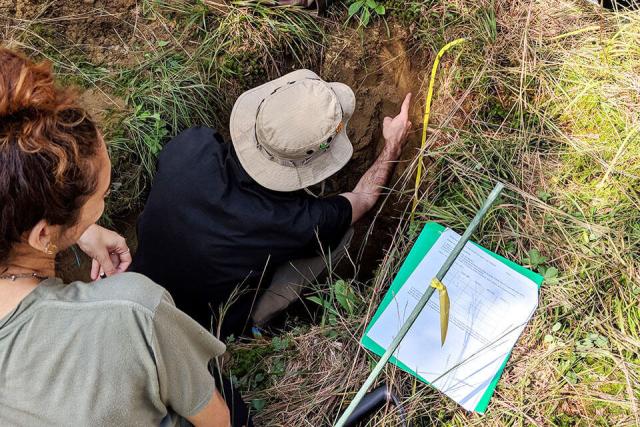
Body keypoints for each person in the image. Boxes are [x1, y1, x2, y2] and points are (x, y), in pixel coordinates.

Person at [0, 48, 243, 426]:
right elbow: (219, 421)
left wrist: (80, 229)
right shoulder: (134, 311)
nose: (104, 202)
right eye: (100, 197)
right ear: (43, 234)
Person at [132, 69, 412, 338]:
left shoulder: (192, 144)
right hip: (202, 330)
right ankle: (257, 325)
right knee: (340, 235)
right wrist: (393, 145)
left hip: (133, 293)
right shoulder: (294, 222)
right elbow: (363, 199)